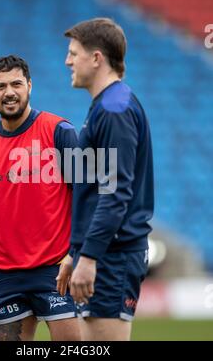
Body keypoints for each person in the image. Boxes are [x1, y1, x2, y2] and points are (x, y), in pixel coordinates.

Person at [0, 55, 80, 341]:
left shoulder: (59, 132)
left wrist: (79, 252)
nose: (9, 92)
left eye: (16, 83)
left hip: (57, 271)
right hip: (4, 276)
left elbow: (88, 196)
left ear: (29, 86)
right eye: (0, 86)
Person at [56, 18, 154, 341]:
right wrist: (77, 251)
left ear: (97, 58)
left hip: (112, 257)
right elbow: (95, 190)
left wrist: (89, 256)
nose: (68, 61)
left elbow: (114, 193)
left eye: (74, 53)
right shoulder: (104, 106)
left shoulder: (114, 109)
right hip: (103, 254)